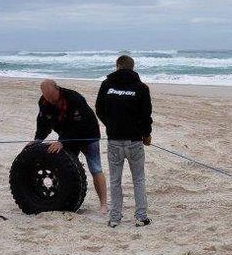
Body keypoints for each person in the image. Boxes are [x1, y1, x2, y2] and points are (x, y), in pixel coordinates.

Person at [32, 79, 108, 215]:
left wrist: (63, 142)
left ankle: (103, 204)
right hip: (66, 135)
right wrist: (37, 140)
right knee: (65, 167)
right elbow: (43, 122)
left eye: (52, 97)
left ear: (57, 89)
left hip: (88, 134)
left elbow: (79, 125)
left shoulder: (73, 98)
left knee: (95, 168)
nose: (51, 100)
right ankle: (64, 199)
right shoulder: (44, 102)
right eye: (47, 97)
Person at [96, 55, 153, 229]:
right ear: (132, 68)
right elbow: (146, 115)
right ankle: (141, 217)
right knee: (138, 180)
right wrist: (146, 134)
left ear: (117, 66)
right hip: (133, 140)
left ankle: (115, 218)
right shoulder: (141, 87)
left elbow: (100, 110)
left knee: (115, 180)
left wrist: (112, 124)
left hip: (116, 139)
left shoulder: (107, 85)